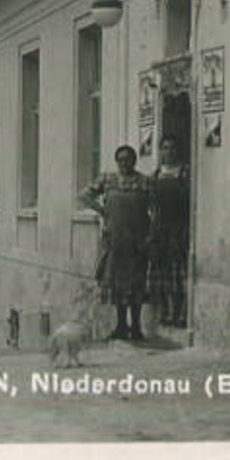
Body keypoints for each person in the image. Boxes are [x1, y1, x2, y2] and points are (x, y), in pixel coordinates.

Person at [80, 145, 150, 341]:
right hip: (115, 240)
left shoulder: (144, 181)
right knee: (118, 285)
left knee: (136, 284)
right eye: (120, 159)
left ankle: (136, 326)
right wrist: (103, 211)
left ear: (134, 161)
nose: (124, 163)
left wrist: (149, 234)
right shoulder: (108, 180)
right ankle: (121, 326)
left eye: (128, 159)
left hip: (137, 241)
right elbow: (84, 195)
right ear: (116, 161)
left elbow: (155, 206)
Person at [148, 133, 191, 328]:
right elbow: (150, 203)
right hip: (160, 229)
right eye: (165, 148)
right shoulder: (156, 174)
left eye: (172, 148)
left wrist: (184, 228)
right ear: (161, 151)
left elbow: (189, 201)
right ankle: (165, 312)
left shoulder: (184, 172)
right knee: (161, 273)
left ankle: (179, 314)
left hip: (178, 227)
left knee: (178, 272)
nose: (169, 151)